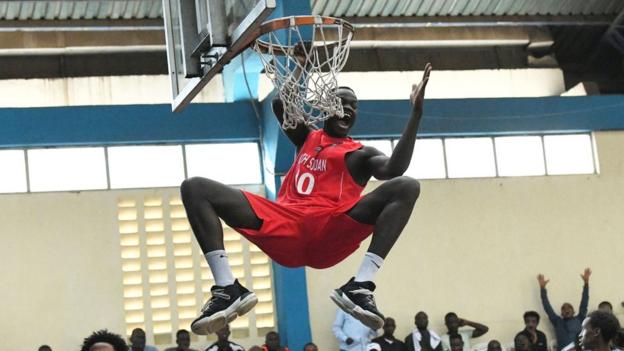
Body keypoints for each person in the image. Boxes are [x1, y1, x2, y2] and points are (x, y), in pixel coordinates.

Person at [181, 62, 433, 334]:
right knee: (194, 188)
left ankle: (361, 285)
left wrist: (416, 114)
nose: (347, 108)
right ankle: (227, 288)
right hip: (284, 224)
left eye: (354, 105)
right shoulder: (306, 138)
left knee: (407, 186)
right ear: (325, 108)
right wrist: (302, 66)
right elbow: (280, 103)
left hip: (329, 229)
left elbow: (395, 168)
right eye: (340, 102)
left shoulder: (361, 154)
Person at [537, 268, 591, 350]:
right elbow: (547, 307)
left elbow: (584, 302)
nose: (566, 310)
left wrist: (586, 283)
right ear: (561, 313)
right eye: (564, 308)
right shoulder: (557, 321)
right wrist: (542, 289)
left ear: (573, 311)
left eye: (569, 308)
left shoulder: (580, 318)